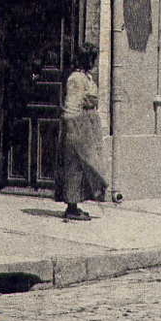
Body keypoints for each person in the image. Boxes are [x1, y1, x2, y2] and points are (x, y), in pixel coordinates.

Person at [56, 42, 108, 220]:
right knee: (75, 166)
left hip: (87, 124)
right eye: (92, 58)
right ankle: (71, 207)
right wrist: (74, 130)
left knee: (85, 165)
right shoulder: (76, 79)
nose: (94, 62)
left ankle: (75, 204)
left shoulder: (87, 77)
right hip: (77, 126)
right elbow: (71, 106)